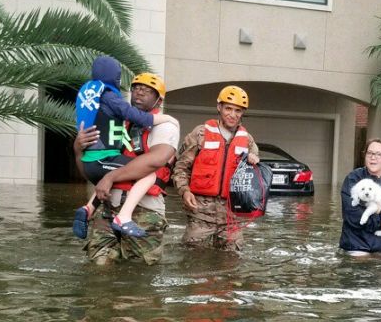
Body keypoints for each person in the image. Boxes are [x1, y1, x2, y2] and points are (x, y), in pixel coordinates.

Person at [72, 73, 179, 265]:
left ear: (159, 100)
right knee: (98, 271)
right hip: (107, 208)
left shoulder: (165, 126)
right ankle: (89, 209)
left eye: (146, 91)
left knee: (138, 277)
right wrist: (78, 149)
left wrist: (111, 177)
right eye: (136, 89)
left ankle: (91, 208)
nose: (139, 94)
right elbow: (89, 172)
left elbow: (155, 160)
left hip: (145, 210)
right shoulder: (117, 123)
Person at [171, 85, 260, 251]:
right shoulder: (200, 134)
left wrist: (253, 161)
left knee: (231, 262)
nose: (232, 115)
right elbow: (180, 168)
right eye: (228, 108)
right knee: (193, 259)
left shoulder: (248, 141)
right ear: (219, 107)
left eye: (238, 111)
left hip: (232, 216)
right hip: (200, 213)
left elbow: (255, 181)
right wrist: (184, 191)